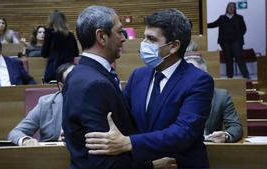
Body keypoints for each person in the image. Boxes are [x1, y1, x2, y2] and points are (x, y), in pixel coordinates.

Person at [85, 9, 214, 168]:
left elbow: (183, 132)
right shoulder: (138, 76)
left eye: (151, 39)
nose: (143, 44)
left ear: (173, 46)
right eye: (144, 37)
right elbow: (122, 117)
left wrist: (129, 142)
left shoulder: (198, 80)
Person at [62, 6, 144, 169]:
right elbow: (103, 160)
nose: (123, 38)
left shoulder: (77, 73)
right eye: (119, 31)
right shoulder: (95, 85)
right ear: (101, 36)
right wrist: (150, 166)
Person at [8, 63, 74, 146]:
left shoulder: (92, 101)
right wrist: (26, 140)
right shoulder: (46, 103)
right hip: (52, 154)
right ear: (61, 86)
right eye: (73, 80)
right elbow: (15, 133)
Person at [184, 55, 243, 143]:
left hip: (209, 148)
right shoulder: (172, 96)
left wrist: (226, 135)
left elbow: (236, 127)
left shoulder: (221, 96)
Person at [208, 2, 249, 79]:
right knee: (228, 59)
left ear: (235, 9)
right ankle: (230, 77)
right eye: (229, 6)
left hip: (236, 41)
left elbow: (244, 29)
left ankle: (246, 77)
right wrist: (204, 25)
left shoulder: (239, 17)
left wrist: (238, 36)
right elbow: (213, 24)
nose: (230, 8)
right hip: (225, 42)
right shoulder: (222, 18)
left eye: (232, 7)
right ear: (227, 8)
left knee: (239, 58)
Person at [41, 10, 79, 83]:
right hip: (69, 71)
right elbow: (76, 53)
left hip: (53, 72)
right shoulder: (70, 35)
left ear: (51, 21)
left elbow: (44, 54)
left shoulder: (49, 33)